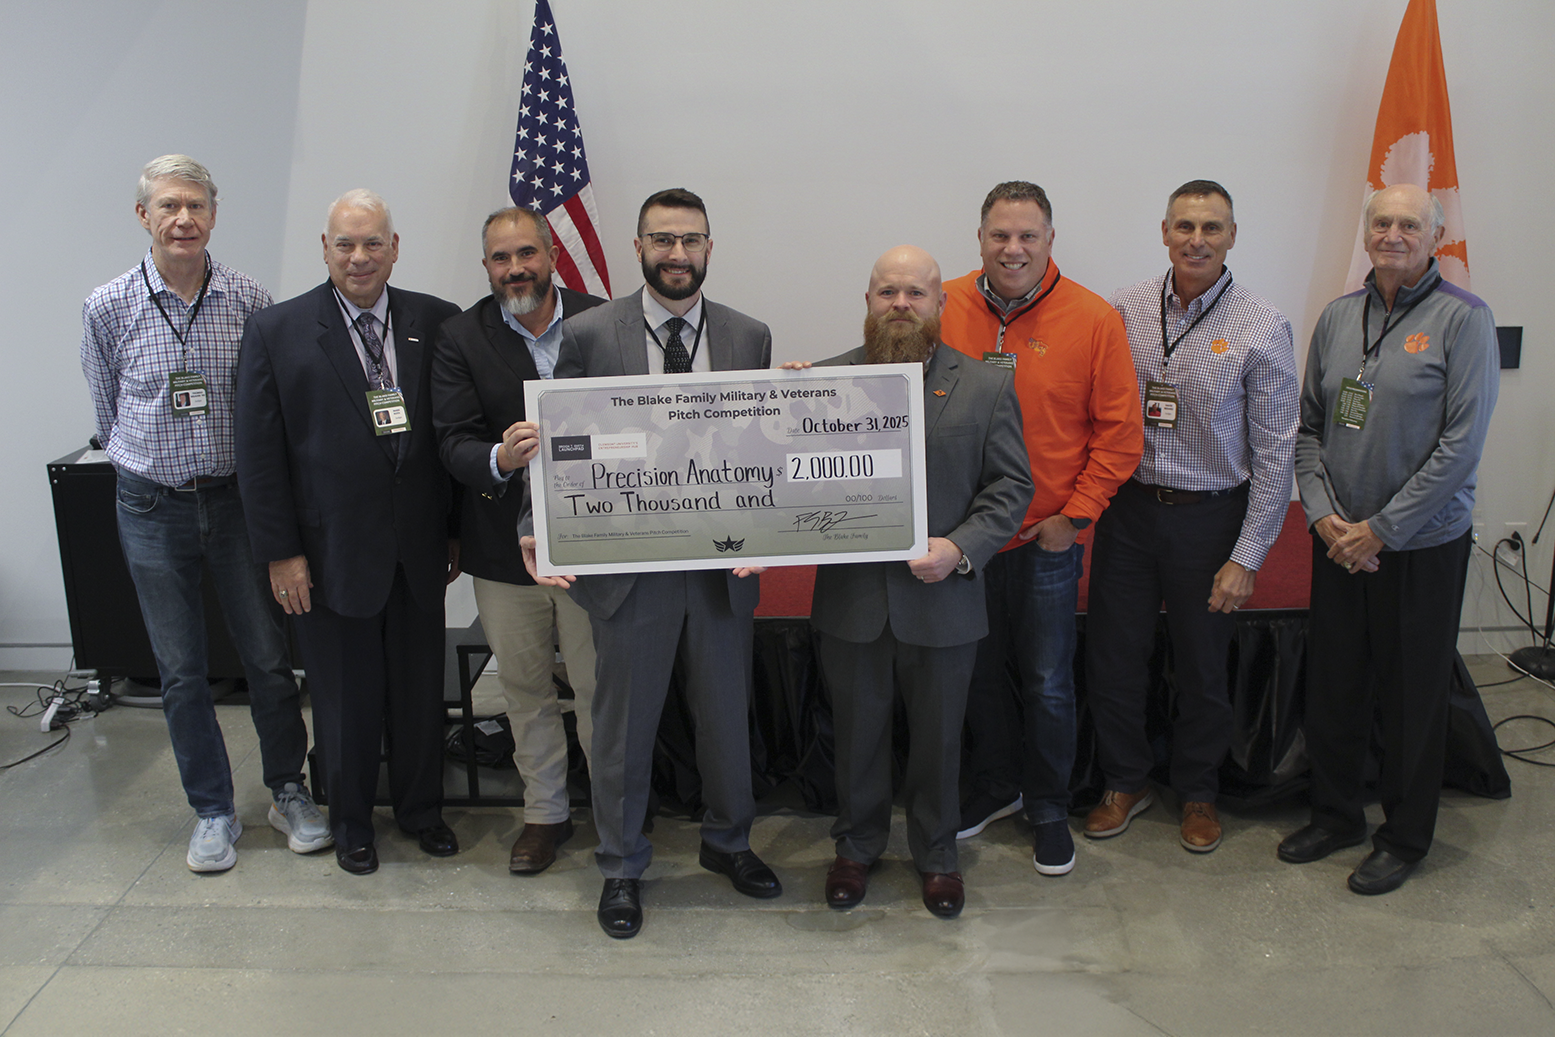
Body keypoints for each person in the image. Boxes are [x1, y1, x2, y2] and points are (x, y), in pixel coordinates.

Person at [517, 188, 779, 938]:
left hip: (722, 567)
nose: (676, 254)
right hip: (631, 569)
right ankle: (622, 864)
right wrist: (537, 523)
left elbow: (762, 445)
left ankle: (729, 843)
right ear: (637, 247)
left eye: (690, 240)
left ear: (708, 248)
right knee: (624, 727)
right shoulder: (591, 334)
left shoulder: (747, 335)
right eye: (662, 239)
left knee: (727, 719)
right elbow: (558, 444)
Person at [81, 154, 328, 873]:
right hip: (150, 504)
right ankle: (213, 809)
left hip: (236, 504)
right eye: (168, 206)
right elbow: (107, 409)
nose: (182, 218)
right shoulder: (107, 304)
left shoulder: (251, 299)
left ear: (213, 215)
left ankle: (288, 790)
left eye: (195, 205)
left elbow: (270, 407)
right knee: (181, 669)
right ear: (143, 217)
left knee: (267, 657)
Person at [235, 189, 463, 876]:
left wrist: (451, 531)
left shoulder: (436, 321)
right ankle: (353, 823)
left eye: (372, 243)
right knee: (345, 699)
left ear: (395, 248)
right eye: (345, 243)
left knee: (421, 693)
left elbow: (449, 439)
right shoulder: (277, 330)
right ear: (325, 248)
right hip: (327, 557)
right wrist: (282, 553)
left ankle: (423, 811)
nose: (359, 257)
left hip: (419, 552)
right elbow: (259, 455)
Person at [1280, 183, 1499, 895]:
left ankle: (1403, 836)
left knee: (1410, 696)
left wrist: (1380, 529)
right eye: (1381, 221)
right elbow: (1307, 426)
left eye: (1409, 223)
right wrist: (1321, 516)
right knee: (1335, 686)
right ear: (1365, 232)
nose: (1393, 233)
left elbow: (1461, 446)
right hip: (1335, 535)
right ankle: (1335, 813)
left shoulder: (1463, 321)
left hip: (1418, 545)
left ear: (1434, 236)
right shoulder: (1340, 316)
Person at [805, 246, 1032, 918]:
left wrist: (959, 548)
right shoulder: (822, 382)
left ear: (940, 303)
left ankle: (937, 854)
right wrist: (777, 406)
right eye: (887, 291)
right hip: (852, 602)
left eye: (915, 292)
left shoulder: (985, 386)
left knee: (938, 738)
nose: (900, 303)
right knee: (856, 736)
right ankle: (856, 847)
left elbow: (1011, 486)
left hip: (943, 599)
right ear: (868, 301)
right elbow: (783, 479)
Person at [1085, 180, 1299, 852]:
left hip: (1210, 518)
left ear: (1232, 235)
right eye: (1184, 226)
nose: (1196, 240)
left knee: (1202, 666)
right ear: (1163, 231)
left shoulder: (1260, 325)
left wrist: (1246, 557)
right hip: (1130, 512)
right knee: (1115, 657)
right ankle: (1125, 780)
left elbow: (1275, 451)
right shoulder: (1121, 308)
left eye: (1211, 227)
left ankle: (1199, 791)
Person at [940, 181, 1143, 876]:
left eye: (1027, 235)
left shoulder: (1093, 318)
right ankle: (996, 784)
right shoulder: (942, 305)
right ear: (979, 239)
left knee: (1049, 678)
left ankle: (1048, 803)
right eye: (999, 235)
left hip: (1043, 541)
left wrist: (1076, 514)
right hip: (966, 540)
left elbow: (1119, 435)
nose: (1013, 248)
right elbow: (889, 391)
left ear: (1050, 240)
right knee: (975, 675)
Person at [431, 208, 605, 874]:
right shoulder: (459, 336)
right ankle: (545, 813)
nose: (515, 269)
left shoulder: (601, 317)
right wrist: (499, 457)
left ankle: (613, 807)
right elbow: (450, 439)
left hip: (593, 544)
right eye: (500, 259)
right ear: (486, 268)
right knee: (525, 688)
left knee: (598, 687)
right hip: (504, 552)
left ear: (553, 251)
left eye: (525, 253)